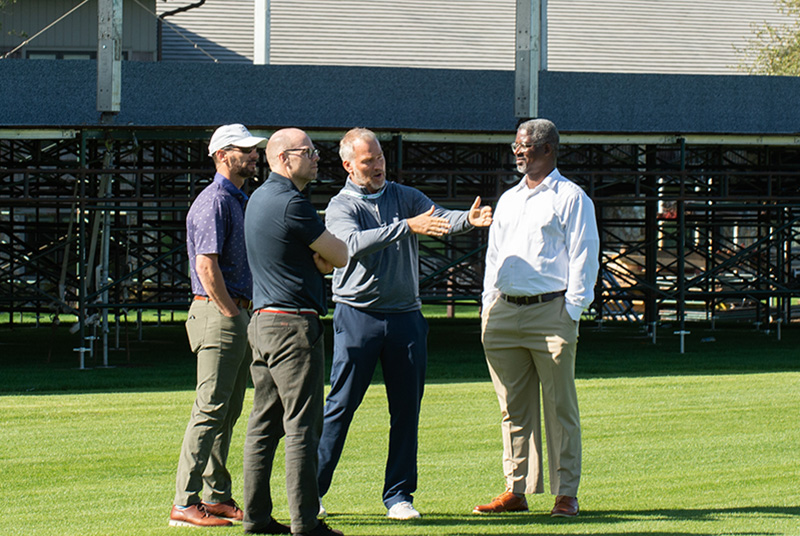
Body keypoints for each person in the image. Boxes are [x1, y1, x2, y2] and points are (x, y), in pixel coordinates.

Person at [317, 128, 493, 520]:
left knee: (406, 411)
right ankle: (312, 490)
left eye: (379, 158)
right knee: (341, 406)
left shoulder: (404, 195)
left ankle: (398, 496)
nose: (378, 166)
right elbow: (349, 245)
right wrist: (407, 227)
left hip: (406, 319)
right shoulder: (340, 205)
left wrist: (470, 219)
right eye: (368, 161)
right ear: (349, 165)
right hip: (357, 316)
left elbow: (440, 219)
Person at [473, 118, 599, 518]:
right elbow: (495, 256)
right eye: (515, 145)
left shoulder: (571, 197)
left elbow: (584, 255)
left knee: (560, 406)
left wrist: (572, 310)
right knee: (512, 406)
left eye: (524, 145)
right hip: (504, 312)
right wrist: (488, 303)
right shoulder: (509, 199)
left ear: (547, 149)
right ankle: (516, 490)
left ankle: (566, 494)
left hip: (552, 312)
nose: (517, 151)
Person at [243, 128, 348, 536]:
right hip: (293, 324)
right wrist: (321, 256)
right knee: (303, 425)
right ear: (285, 159)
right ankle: (305, 523)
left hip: (263, 322)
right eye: (310, 152)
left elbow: (320, 259)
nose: (317, 157)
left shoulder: (259, 199)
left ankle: (256, 517)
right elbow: (337, 255)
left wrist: (318, 258)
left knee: (263, 425)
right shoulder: (292, 204)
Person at [170, 124, 267, 528]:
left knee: (226, 411)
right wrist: (231, 313)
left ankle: (216, 496)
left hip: (229, 310)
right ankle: (185, 502)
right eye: (245, 150)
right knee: (210, 409)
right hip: (219, 311)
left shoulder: (236, 199)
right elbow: (205, 265)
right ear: (222, 155)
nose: (254, 155)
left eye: (254, 150)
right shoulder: (214, 201)